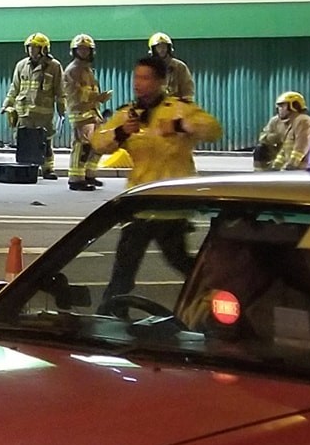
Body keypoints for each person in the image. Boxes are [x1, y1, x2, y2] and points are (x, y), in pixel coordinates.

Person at [94, 54, 223, 307]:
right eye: (136, 77)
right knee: (124, 267)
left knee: (179, 260)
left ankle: (220, 295)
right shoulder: (128, 114)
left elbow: (213, 129)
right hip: (140, 202)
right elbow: (98, 142)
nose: (138, 83)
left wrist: (180, 125)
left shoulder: (178, 108)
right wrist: (121, 132)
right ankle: (110, 314)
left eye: (145, 78)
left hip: (171, 204)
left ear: (161, 81)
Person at [2, 33, 63, 178]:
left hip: (43, 114)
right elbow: (14, 88)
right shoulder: (21, 65)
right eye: (29, 47)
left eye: (35, 47)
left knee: (46, 142)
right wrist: (7, 104)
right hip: (23, 113)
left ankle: (48, 169)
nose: (31, 50)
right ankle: (26, 168)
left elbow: (60, 90)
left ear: (44, 49)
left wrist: (62, 109)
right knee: (24, 141)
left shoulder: (54, 66)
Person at [61, 33, 111, 190]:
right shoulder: (73, 70)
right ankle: (76, 179)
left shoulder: (86, 69)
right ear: (74, 51)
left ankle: (89, 174)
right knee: (81, 147)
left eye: (86, 49)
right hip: (81, 113)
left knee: (96, 146)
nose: (84, 52)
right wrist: (98, 97)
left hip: (92, 112)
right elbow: (75, 93)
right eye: (80, 49)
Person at [255, 92, 310, 170]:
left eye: (282, 106)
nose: (279, 109)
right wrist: (276, 167)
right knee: (260, 149)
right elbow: (285, 149)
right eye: (278, 107)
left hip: (303, 167)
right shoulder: (291, 122)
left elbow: (301, 146)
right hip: (291, 166)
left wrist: (292, 165)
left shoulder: (303, 121)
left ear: (294, 106)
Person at [148, 32, 194, 101]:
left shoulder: (179, 67)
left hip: (176, 107)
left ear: (168, 48)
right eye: (159, 47)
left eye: (164, 46)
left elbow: (187, 91)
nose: (162, 49)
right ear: (154, 49)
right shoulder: (148, 68)